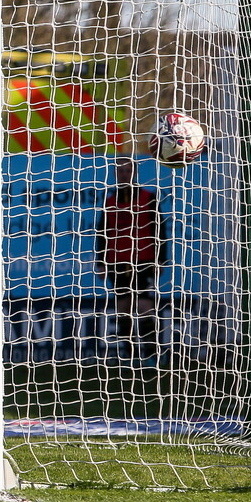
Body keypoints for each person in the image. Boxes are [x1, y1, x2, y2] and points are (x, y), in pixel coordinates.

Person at [94, 155, 167, 364]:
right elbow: (102, 233)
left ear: (134, 173)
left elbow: (159, 230)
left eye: (127, 171)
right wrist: (101, 262)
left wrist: (161, 259)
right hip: (117, 262)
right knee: (123, 309)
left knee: (145, 306)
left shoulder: (148, 198)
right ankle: (131, 357)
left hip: (143, 260)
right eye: (120, 171)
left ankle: (153, 355)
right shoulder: (110, 201)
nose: (124, 174)